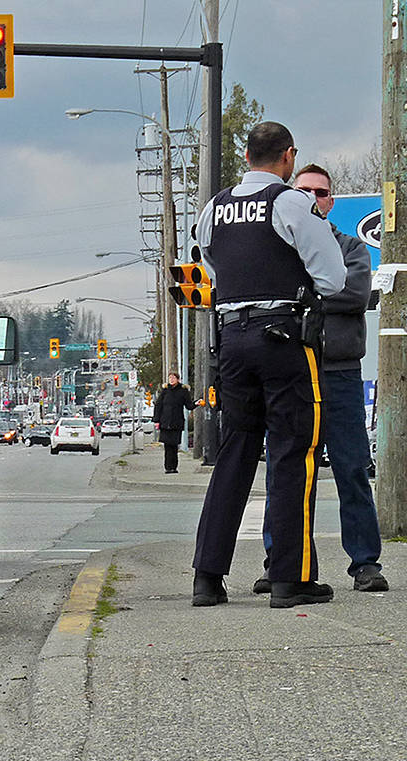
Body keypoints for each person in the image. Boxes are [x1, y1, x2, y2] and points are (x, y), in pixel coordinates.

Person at [190, 121, 346, 609]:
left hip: (231, 338)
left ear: (246, 155)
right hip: (284, 338)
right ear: (288, 157)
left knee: (234, 452)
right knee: (292, 451)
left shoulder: (215, 207)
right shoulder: (290, 203)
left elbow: (212, 265)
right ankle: (289, 578)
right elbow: (333, 278)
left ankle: (207, 577)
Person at [253, 164, 388, 594]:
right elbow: (327, 294)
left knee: (351, 469)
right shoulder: (282, 251)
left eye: (323, 193)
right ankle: (280, 562)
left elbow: (354, 294)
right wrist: (317, 294)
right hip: (293, 371)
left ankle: (365, 563)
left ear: (331, 201)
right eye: (305, 190)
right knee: (285, 469)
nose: (314, 198)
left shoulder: (353, 249)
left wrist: (301, 298)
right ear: (292, 196)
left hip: (341, 373)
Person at [152, 372, 200, 473]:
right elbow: (158, 406)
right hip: (165, 422)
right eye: (170, 378)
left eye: (173, 378)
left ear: (178, 379)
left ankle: (174, 467)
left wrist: (196, 403)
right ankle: (168, 467)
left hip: (176, 422)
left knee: (174, 445)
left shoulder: (183, 391)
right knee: (167, 446)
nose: (171, 379)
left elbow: (189, 405)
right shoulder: (165, 391)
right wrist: (156, 420)